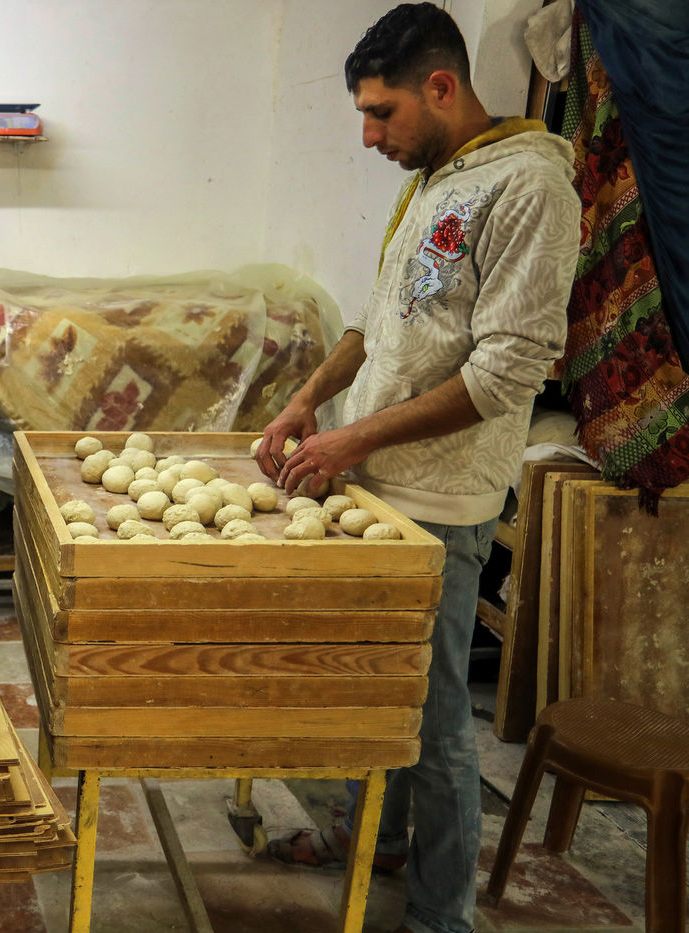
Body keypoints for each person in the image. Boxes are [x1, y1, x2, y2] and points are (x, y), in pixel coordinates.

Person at [256, 6, 580, 933]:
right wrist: (306, 401)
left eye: (381, 112)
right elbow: (379, 323)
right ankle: (377, 840)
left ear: (441, 87)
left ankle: (441, 915)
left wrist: (352, 440)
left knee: (435, 721)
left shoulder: (530, 187)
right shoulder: (437, 178)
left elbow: (503, 372)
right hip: (382, 484)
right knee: (380, 692)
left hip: (443, 496)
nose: (369, 136)